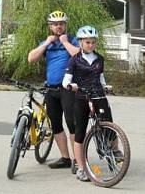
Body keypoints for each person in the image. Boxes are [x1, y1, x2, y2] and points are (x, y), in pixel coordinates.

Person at [27, 10, 80, 171]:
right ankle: (65, 158)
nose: (58, 27)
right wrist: (46, 44)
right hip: (51, 89)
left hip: (68, 89)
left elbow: (79, 55)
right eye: (55, 24)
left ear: (66, 25)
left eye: (61, 24)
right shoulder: (47, 42)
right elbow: (31, 58)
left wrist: (64, 42)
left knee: (73, 124)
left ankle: (78, 160)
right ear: (50, 26)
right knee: (56, 124)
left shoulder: (72, 40)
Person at [62, 25, 114, 182]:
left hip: (98, 96)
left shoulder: (99, 59)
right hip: (82, 97)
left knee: (109, 126)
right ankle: (82, 167)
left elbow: (101, 78)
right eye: (87, 42)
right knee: (80, 133)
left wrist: (106, 86)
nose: (90, 45)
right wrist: (71, 86)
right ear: (80, 43)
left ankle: (115, 153)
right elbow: (66, 81)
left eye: (93, 42)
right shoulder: (74, 60)